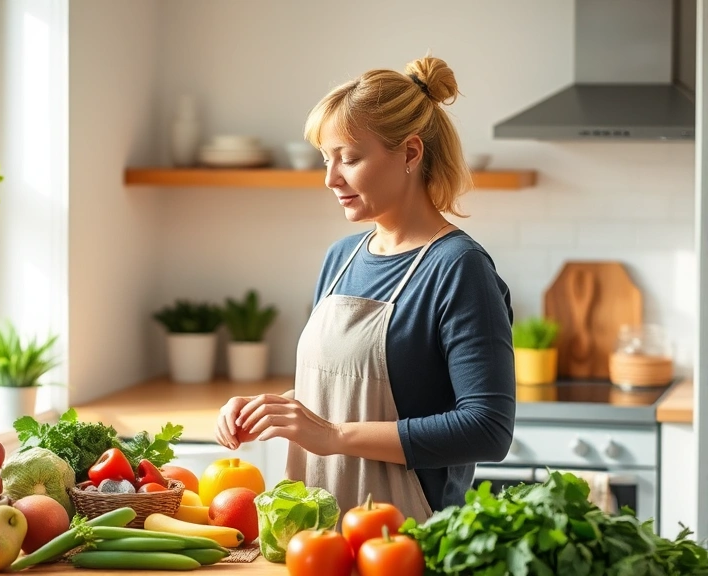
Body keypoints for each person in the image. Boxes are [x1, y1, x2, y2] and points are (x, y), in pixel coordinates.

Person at [215, 56, 516, 523]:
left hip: (408, 540)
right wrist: (276, 410)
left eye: (350, 158)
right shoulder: (342, 258)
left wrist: (334, 435)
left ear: (411, 154)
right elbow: (343, 394)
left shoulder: (458, 267)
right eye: (325, 159)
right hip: (316, 537)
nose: (331, 178)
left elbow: (487, 429)